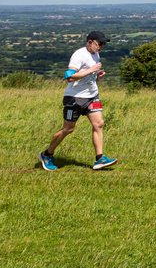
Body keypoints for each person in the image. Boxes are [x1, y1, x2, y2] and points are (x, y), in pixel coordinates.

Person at [38, 31, 118, 171]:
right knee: (68, 129)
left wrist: (97, 75)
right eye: (100, 44)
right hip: (74, 98)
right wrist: (91, 70)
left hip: (92, 95)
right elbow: (69, 77)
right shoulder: (79, 55)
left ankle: (99, 159)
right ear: (90, 42)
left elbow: (88, 75)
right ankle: (47, 154)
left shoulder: (95, 54)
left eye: (103, 44)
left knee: (98, 124)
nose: (102, 47)